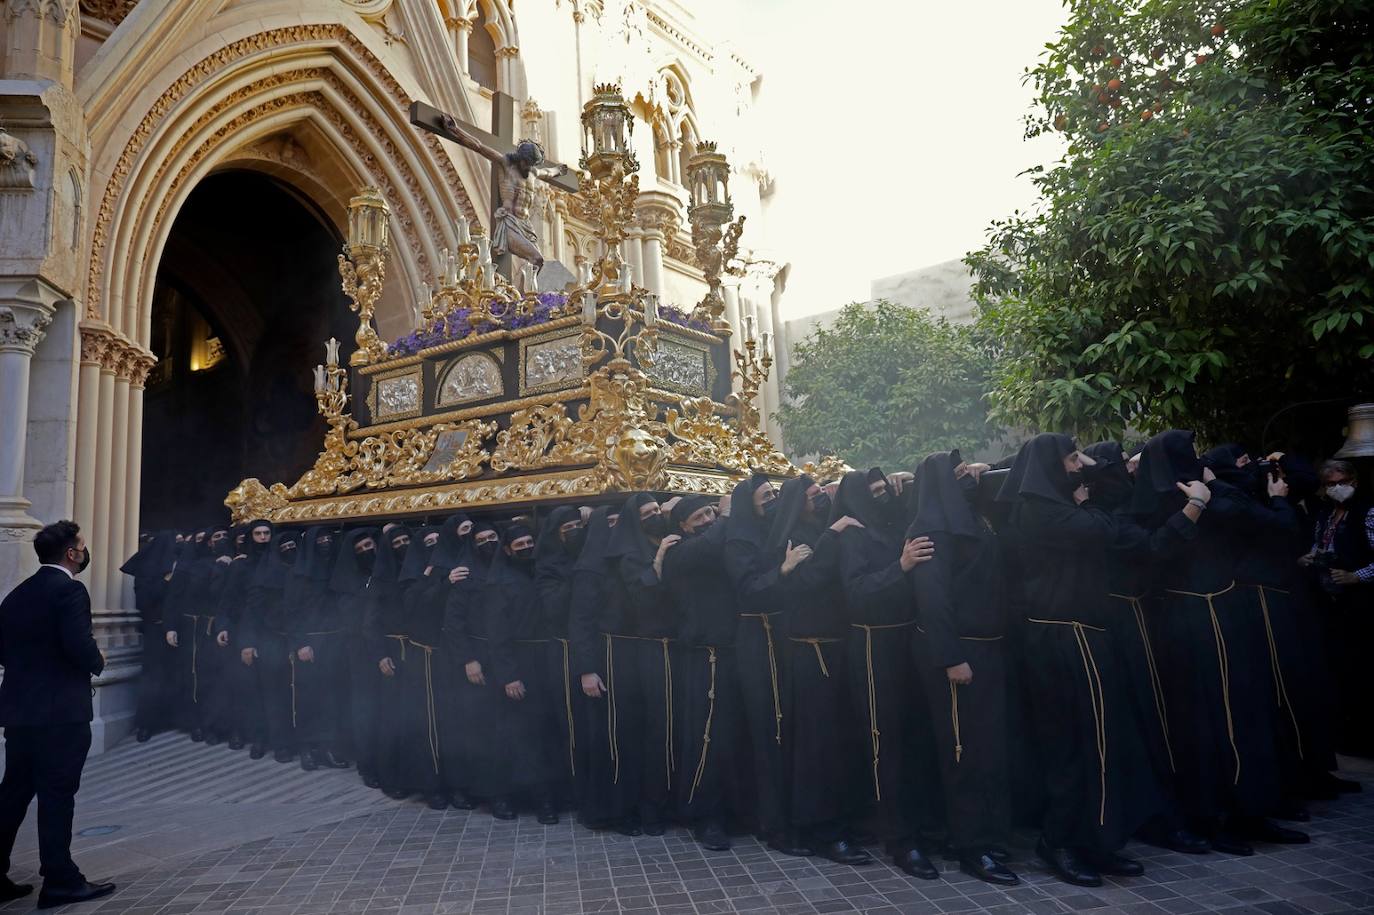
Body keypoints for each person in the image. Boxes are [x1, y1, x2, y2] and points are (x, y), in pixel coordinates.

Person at [998, 434, 1167, 886]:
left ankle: (1097, 840)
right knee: (1069, 749)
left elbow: (1115, 508)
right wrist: (1086, 497)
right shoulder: (1037, 511)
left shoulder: (1062, 504)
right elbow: (1108, 531)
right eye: (1072, 459)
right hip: (1058, 642)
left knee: (1101, 745)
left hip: (1084, 637)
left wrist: (1087, 474)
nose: (1080, 466)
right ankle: (1060, 842)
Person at [1129, 431, 1305, 852]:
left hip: (1226, 614)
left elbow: (1263, 523)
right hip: (1188, 623)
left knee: (1247, 714)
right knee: (1204, 723)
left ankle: (1253, 810)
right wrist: (1205, 496)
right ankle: (1214, 817)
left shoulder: (1210, 495)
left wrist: (1215, 487)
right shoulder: (1163, 503)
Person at [907, 452, 1020, 886]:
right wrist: (951, 657)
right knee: (963, 751)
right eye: (957, 474)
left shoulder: (976, 520)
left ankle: (989, 835)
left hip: (989, 650)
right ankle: (972, 845)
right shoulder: (931, 529)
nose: (967, 478)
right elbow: (933, 600)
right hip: (958, 657)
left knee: (989, 749)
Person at [0, 521, 116, 910]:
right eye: (81, 546)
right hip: (61, 714)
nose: (84, 552)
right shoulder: (69, 590)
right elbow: (79, 646)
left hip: (19, 712)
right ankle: (60, 880)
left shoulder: (17, 595)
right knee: (56, 795)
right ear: (71, 553)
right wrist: (98, 660)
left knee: (13, 793)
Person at [658, 494, 745, 852]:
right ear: (682, 526)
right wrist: (726, 514)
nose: (708, 520)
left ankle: (735, 808)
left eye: (710, 512)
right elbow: (709, 548)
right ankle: (705, 814)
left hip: (734, 652)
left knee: (734, 737)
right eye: (700, 516)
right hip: (704, 656)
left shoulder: (722, 541)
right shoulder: (680, 553)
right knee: (708, 736)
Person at [482, 522, 564, 822]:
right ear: (507, 550)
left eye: (531, 542)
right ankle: (506, 797)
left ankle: (549, 797)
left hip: (546, 660)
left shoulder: (541, 570)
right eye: (520, 546)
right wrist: (508, 676)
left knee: (545, 734)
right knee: (516, 737)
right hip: (518, 664)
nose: (527, 548)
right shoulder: (499, 582)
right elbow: (496, 633)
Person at [1302, 458, 1374, 758]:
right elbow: (1320, 547)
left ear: (1354, 481)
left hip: (1362, 606)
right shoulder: (1325, 515)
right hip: (1331, 605)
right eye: (1330, 485)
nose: (1336, 489)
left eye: (1341, 482)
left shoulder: (1367, 513)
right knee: (1339, 671)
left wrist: (1356, 576)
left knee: (1363, 671)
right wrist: (1309, 558)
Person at [287, 527, 351, 772]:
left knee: (333, 697)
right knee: (310, 698)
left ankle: (330, 747)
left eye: (328, 538)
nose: (325, 542)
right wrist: (301, 642)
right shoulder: (298, 573)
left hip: (335, 641)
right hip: (310, 644)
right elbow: (291, 612)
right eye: (320, 540)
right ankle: (308, 748)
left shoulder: (336, 567)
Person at [242, 529, 302, 763]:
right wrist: (248, 643)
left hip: (298, 641)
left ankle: (296, 741)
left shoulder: (302, 573)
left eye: (292, 547)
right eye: (283, 549)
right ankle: (275, 743)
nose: (289, 552)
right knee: (271, 696)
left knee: (294, 695)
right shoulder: (265, 576)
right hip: (271, 641)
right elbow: (252, 611)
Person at [122, 531, 177, 743]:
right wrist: (165, 580)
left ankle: (168, 718)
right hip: (155, 631)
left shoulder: (175, 568)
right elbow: (144, 602)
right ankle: (146, 724)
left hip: (175, 631)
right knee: (153, 678)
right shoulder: (145, 572)